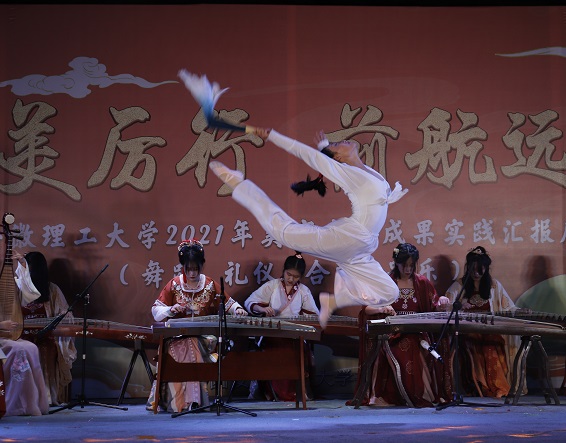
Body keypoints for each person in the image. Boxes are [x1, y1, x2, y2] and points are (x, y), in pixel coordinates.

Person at [209, 127, 408, 329]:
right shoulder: (349, 174)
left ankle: (334, 301)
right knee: (284, 232)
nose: (343, 141)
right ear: (338, 157)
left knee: (390, 292)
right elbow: (305, 153)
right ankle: (239, 184)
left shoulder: (370, 172)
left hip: (362, 247)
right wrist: (273, 136)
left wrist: (325, 146)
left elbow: (327, 156)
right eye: (337, 145)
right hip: (350, 238)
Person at [148, 239, 248, 413]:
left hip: (205, 339)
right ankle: (184, 402)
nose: (192, 273)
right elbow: (156, 310)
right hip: (176, 338)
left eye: (196, 269)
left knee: (191, 343)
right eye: (188, 269)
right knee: (184, 345)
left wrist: (238, 309)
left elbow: (230, 303)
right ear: (183, 267)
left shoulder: (209, 285)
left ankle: (192, 401)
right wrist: (171, 309)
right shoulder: (174, 285)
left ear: (202, 266)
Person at [351, 243, 450, 407]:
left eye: (412, 265)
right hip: (391, 332)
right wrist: (382, 308)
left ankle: (419, 394)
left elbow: (434, 305)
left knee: (417, 344)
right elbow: (366, 309)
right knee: (401, 346)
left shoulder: (422, 283)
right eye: (404, 265)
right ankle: (396, 395)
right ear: (396, 262)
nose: (408, 269)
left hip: (416, 331)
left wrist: (441, 302)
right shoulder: (386, 282)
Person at [443, 245, 520, 398]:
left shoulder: (494, 285)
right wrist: (459, 306)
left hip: (489, 330)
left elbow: (508, 307)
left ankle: (496, 386)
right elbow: (446, 307)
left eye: (480, 270)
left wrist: (520, 311)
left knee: (491, 346)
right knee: (472, 345)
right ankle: (479, 386)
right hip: (467, 332)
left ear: (486, 268)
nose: (476, 273)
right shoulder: (459, 285)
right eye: (473, 270)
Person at [244, 251, 319, 401]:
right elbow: (249, 302)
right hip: (272, 333)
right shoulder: (272, 286)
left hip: (294, 333)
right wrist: (263, 309)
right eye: (288, 274)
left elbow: (314, 314)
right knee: (277, 349)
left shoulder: (303, 291)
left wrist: (300, 319)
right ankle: (273, 392)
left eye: (296, 276)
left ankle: (295, 391)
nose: (291, 279)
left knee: (299, 350)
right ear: (283, 271)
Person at [12, 250, 77, 407]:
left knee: (46, 348)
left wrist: (54, 323)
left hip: (45, 336)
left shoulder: (51, 289)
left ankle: (45, 398)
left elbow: (65, 315)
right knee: (20, 349)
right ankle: (22, 400)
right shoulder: (17, 287)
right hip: (21, 335)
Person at [1, 320, 49, 416]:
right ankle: (16, 405)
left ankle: (33, 402)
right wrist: (1, 325)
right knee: (18, 350)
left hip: (5, 337)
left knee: (32, 348)